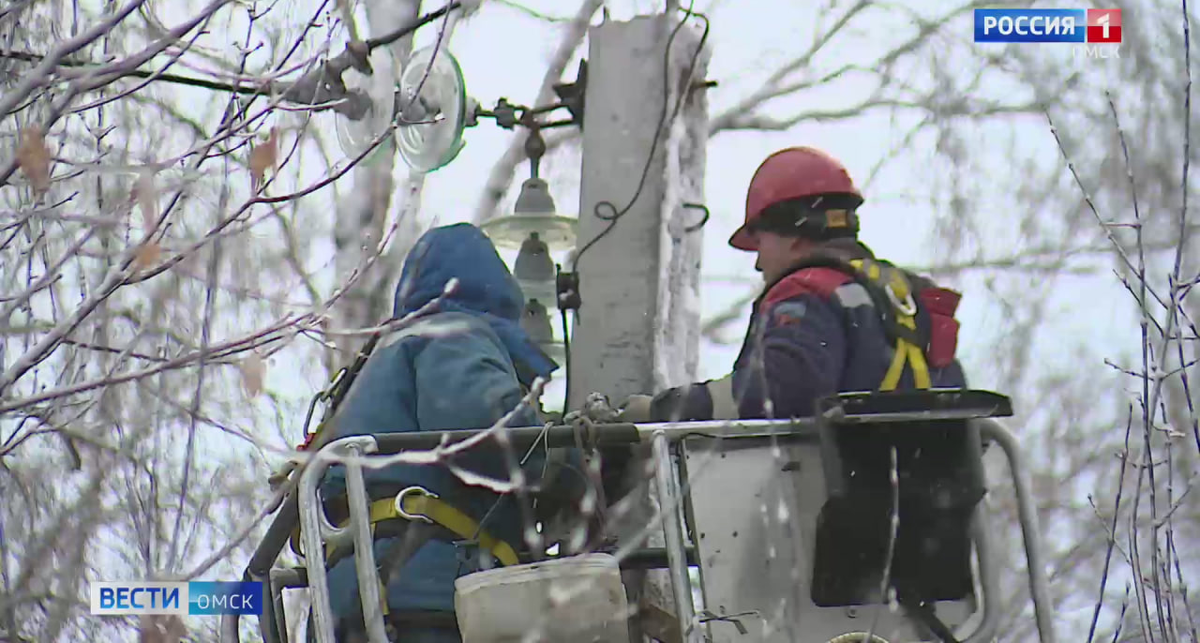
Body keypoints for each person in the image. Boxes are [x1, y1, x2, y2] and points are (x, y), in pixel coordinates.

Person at [315, 223, 578, 643]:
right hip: (427, 594)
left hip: (356, 601)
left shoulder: (373, 370)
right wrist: (572, 459)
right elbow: (484, 429)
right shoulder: (452, 331)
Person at [620, 146, 968, 423]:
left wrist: (664, 410)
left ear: (794, 228)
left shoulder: (808, 291)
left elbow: (779, 389)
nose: (758, 262)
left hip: (837, 487)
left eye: (760, 242)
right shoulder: (904, 299)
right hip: (931, 487)